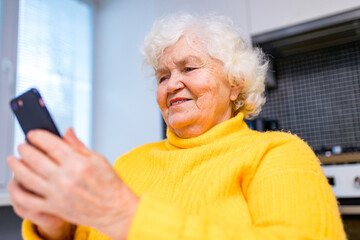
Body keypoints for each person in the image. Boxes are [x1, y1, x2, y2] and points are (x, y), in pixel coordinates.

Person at [7, 13, 346, 240]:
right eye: (163, 76)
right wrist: (53, 226)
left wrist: (126, 215)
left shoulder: (276, 153)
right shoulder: (130, 163)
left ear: (235, 83)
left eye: (188, 68)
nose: (171, 85)